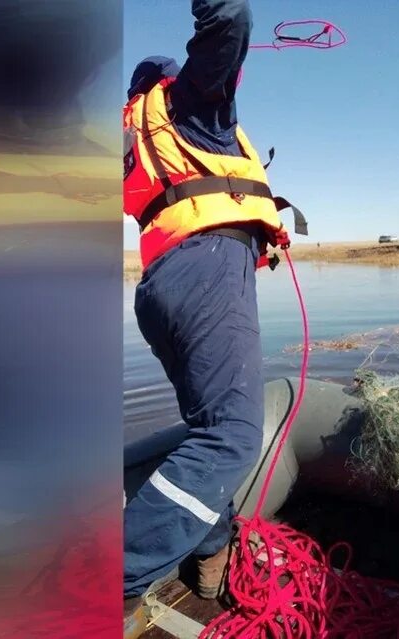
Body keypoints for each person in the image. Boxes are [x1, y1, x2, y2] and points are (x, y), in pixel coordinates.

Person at [122, 0, 296, 634]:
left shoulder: (133, 136)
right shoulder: (189, 105)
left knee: (208, 427)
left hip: (162, 287)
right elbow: (230, 22)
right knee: (231, 438)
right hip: (207, 268)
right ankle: (115, 583)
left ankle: (207, 557)